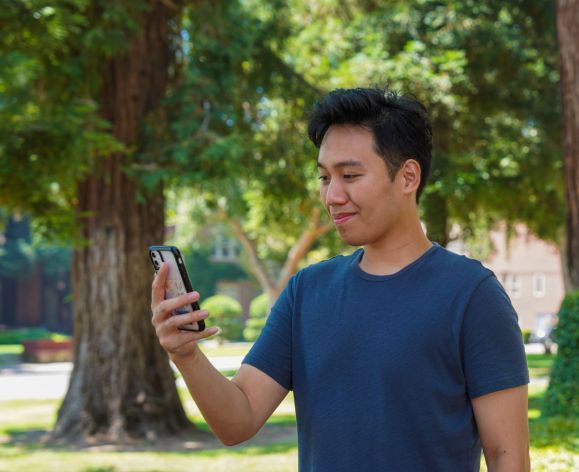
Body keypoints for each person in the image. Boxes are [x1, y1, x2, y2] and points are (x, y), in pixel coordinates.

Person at [151, 87, 530, 471]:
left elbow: (507, 456)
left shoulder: (472, 294)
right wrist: (186, 355)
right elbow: (238, 420)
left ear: (407, 177)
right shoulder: (306, 292)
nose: (332, 195)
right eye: (323, 177)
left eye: (349, 175)